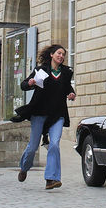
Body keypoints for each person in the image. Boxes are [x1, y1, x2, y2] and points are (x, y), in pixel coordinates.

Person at [18, 44, 75, 190]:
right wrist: (30, 83)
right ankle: (24, 167)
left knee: (54, 144)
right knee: (33, 146)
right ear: (51, 54)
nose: (61, 56)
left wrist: (71, 93)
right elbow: (24, 85)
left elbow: (67, 87)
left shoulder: (67, 72)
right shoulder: (40, 70)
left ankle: (51, 179)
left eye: (63, 54)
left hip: (58, 114)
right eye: (59, 53)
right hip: (39, 112)